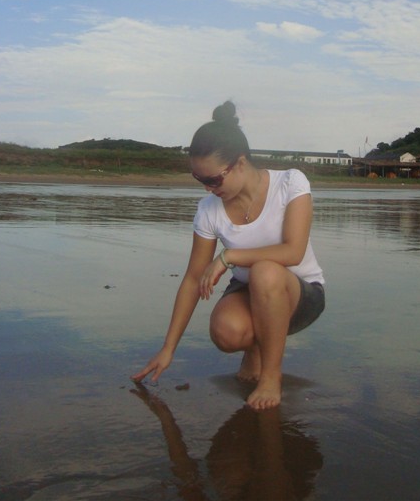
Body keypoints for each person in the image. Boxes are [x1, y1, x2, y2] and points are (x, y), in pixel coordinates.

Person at [131, 101, 325, 411]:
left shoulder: (290, 183)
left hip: (301, 294)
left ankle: (270, 376)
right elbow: (193, 278)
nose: (208, 189)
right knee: (226, 331)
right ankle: (256, 348)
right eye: (200, 180)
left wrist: (228, 256)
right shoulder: (208, 210)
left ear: (240, 163)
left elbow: (293, 251)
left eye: (214, 179)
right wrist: (168, 348)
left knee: (265, 271)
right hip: (249, 291)